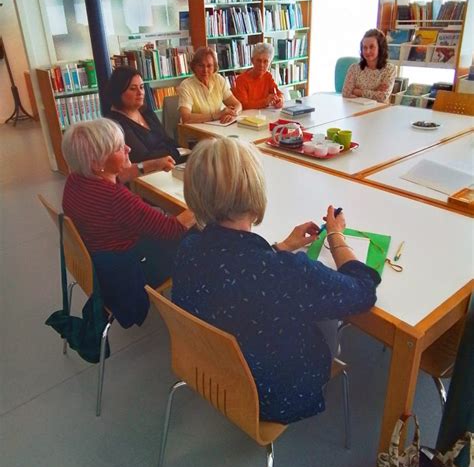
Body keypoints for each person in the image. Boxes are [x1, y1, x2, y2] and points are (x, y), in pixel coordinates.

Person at [172, 138, 380, 424]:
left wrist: (281, 246)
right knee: (329, 316)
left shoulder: (189, 246)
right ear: (255, 192)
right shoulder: (283, 271)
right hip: (275, 394)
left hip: (208, 368)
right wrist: (335, 235)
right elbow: (363, 291)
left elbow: (236, 267)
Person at [62, 118, 195, 328]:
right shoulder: (115, 199)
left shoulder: (76, 181)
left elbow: (117, 174)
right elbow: (173, 229)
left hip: (100, 262)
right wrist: (204, 200)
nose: (128, 148)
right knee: (194, 238)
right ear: (96, 163)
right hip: (127, 274)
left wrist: (153, 164)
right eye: (118, 147)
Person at [105, 66, 183, 182]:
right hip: (142, 178)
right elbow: (142, 157)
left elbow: (169, 141)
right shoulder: (116, 122)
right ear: (118, 93)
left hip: (166, 169)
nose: (140, 92)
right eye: (133, 89)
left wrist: (169, 151)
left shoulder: (145, 111)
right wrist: (170, 152)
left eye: (142, 87)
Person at [178, 47, 242, 124]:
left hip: (217, 127)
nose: (205, 70)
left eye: (209, 66)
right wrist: (217, 115)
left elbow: (237, 104)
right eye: (201, 66)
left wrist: (233, 114)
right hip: (195, 131)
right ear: (194, 66)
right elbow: (186, 117)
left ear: (214, 67)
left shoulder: (218, 79)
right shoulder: (186, 85)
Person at [342, 28, 396, 104]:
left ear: (380, 48)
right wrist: (375, 91)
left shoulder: (389, 69)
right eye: (365, 47)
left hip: (379, 111)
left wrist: (357, 92)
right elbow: (346, 93)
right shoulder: (354, 68)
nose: (367, 51)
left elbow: (382, 97)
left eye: (371, 47)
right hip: (356, 109)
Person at [233, 42, 284, 110]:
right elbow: (243, 105)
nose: (261, 65)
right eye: (258, 60)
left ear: (270, 63)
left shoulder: (268, 76)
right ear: (252, 60)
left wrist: (280, 100)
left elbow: (279, 93)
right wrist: (265, 102)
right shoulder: (242, 79)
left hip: (264, 115)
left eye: (265, 61)